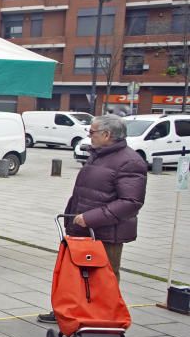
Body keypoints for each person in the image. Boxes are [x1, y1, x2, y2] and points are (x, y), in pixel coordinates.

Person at [38, 114, 147, 323]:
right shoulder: (98, 155)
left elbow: (131, 202)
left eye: (92, 132)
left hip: (106, 233)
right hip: (82, 229)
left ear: (107, 135)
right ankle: (69, 311)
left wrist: (90, 218)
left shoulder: (130, 162)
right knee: (76, 275)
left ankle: (104, 317)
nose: (89, 135)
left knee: (104, 277)